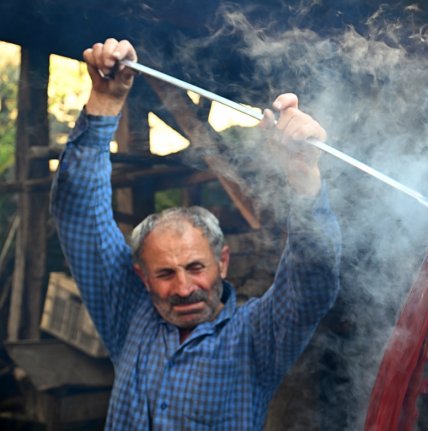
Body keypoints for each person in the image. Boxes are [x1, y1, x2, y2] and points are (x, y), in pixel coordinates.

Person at [50, 38, 341, 430]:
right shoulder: (129, 315)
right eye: (166, 274)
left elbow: (313, 279)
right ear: (142, 277)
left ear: (223, 262)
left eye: (195, 267)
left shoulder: (257, 336)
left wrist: (303, 176)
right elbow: (77, 212)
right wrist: (105, 101)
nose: (185, 288)